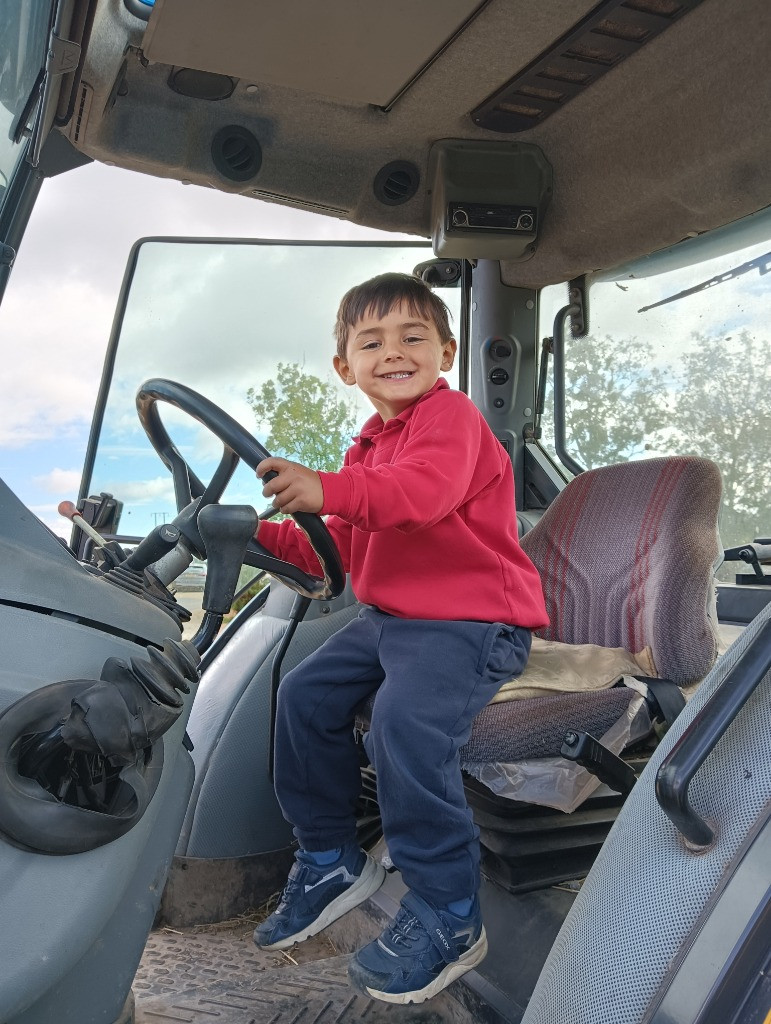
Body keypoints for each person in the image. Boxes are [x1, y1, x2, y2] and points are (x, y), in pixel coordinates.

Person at [252, 272, 548, 1004]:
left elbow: (420, 495)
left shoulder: (451, 422)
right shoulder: (367, 447)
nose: (393, 351)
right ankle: (328, 857)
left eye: (413, 336)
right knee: (301, 696)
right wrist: (250, 533)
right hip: (394, 621)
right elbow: (341, 549)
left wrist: (328, 488)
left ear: (445, 353)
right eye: (371, 340)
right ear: (344, 367)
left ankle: (448, 909)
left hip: (472, 621)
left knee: (404, 725)